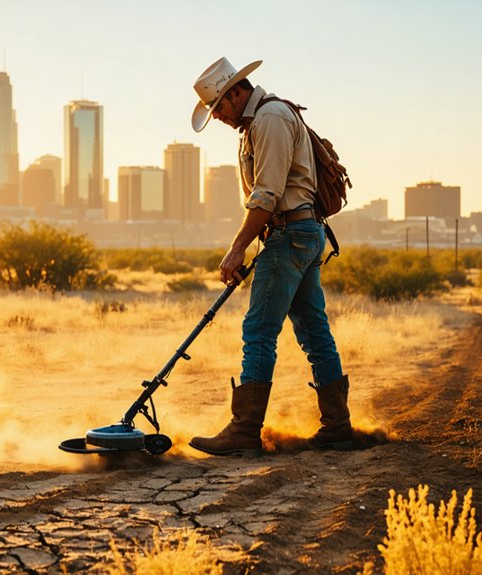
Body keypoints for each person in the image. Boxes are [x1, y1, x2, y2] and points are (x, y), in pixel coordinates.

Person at [188, 57, 352, 457]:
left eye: (219, 108)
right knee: (313, 330)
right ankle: (338, 427)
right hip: (298, 233)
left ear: (235, 92)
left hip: (291, 234)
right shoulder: (257, 123)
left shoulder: (270, 119)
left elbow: (267, 194)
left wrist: (237, 247)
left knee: (259, 329)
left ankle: (244, 431)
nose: (218, 117)